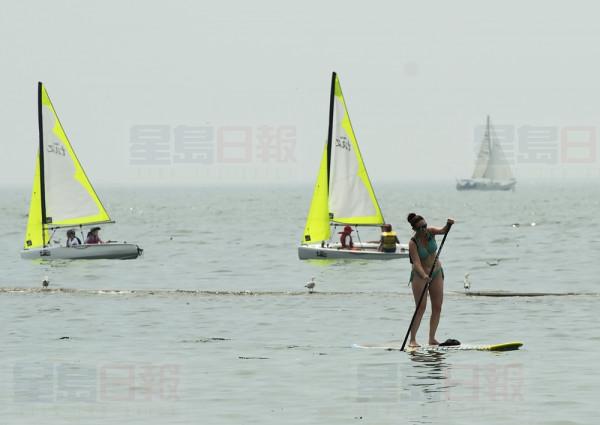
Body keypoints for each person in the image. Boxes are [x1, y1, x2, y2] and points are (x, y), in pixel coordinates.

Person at [406, 213, 454, 347]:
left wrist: (448, 224)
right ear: (415, 229)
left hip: (436, 271)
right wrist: (424, 275)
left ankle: (432, 338)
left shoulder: (431, 232)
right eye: (421, 227)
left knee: (437, 307)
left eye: (425, 225)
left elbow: (443, 231)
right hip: (419, 275)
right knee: (421, 307)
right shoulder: (413, 243)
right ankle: (412, 340)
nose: (424, 229)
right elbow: (416, 263)